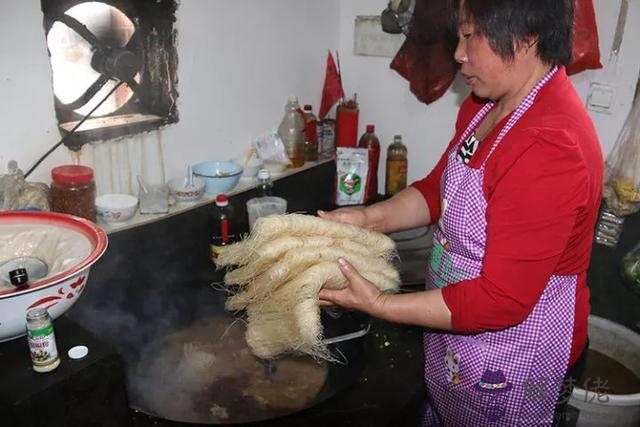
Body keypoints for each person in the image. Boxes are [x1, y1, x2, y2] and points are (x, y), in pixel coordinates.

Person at [318, 0, 603, 425]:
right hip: (461, 338)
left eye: (471, 36)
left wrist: (378, 303)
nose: (458, 53)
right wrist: (367, 219)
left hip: (517, 356)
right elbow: (439, 190)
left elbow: (501, 300)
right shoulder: (486, 106)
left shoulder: (550, 147)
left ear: (526, 38)